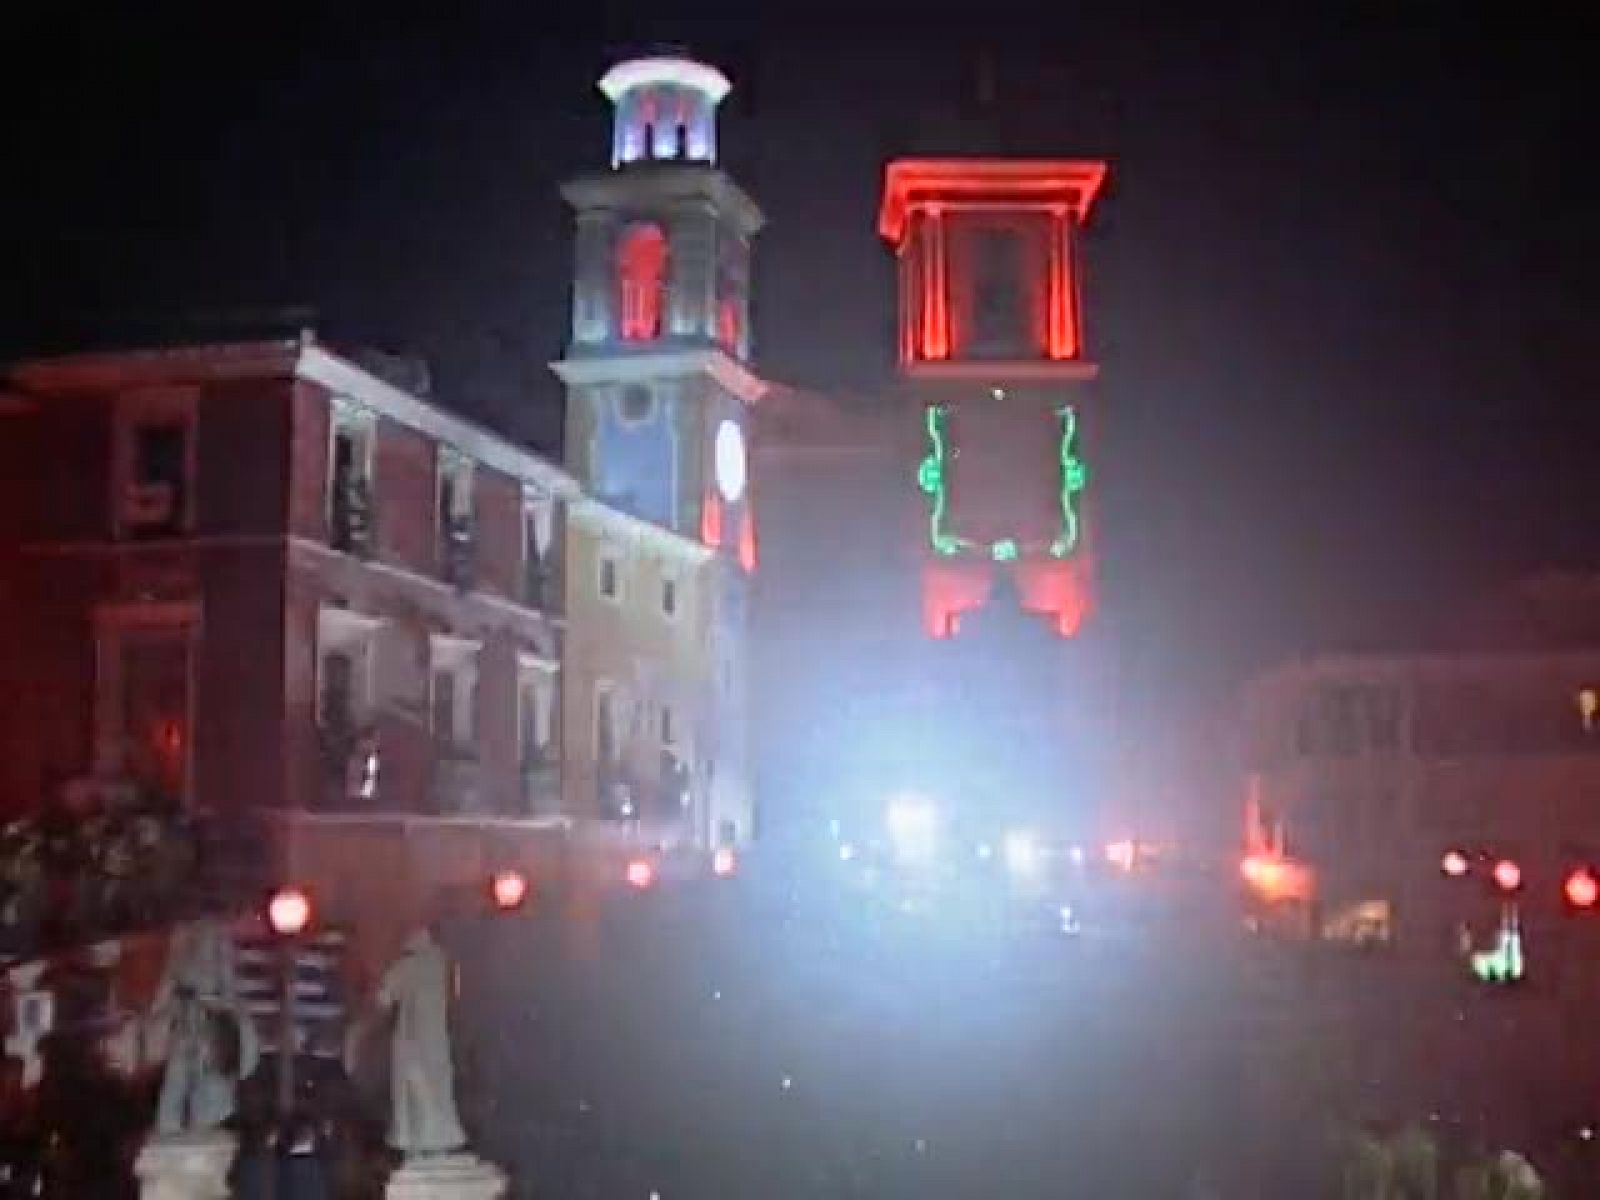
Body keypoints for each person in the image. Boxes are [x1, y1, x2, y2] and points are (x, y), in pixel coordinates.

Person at [372, 927, 467, 1157]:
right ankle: (439, 1142)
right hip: (438, 1043)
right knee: (439, 1091)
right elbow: (456, 997)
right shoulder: (445, 964)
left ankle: (419, 1144)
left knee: (414, 1095)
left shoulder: (407, 966)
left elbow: (382, 998)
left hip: (412, 1042)